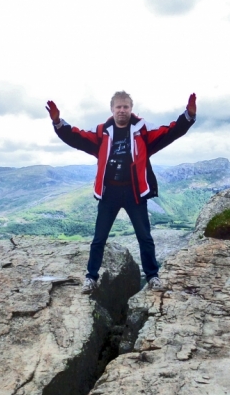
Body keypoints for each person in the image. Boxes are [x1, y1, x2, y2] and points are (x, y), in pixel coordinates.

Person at [46, 91, 197, 293]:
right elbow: (76, 137)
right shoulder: (102, 133)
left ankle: (153, 277)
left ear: (131, 109)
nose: (122, 110)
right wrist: (58, 122)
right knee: (99, 238)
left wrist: (188, 117)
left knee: (145, 237)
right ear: (112, 109)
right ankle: (91, 278)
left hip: (134, 192)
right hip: (109, 193)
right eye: (118, 107)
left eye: (126, 106)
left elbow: (169, 132)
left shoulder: (142, 132)